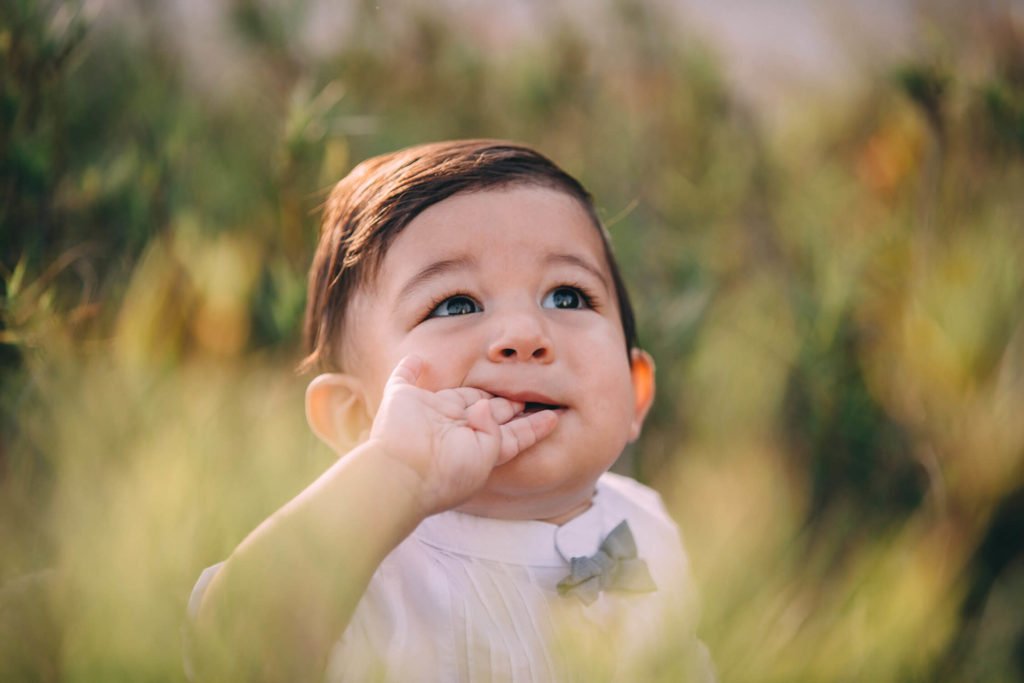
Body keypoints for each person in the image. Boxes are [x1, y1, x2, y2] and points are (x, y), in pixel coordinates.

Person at [188, 139, 713, 682]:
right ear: (356, 418)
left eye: (567, 296)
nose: (524, 336)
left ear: (636, 391)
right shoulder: (366, 567)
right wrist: (396, 471)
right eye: (456, 305)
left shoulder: (649, 528)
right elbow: (230, 651)